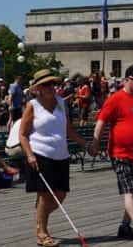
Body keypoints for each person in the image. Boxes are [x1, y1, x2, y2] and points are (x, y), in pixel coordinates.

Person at [19, 68, 91, 247]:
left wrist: (85, 144)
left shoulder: (60, 102)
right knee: (44, 195)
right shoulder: (32, 105)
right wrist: (29, 155)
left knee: (61, 194)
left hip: (61, 154)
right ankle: (42, 233)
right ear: (39, 88)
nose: (52, 87)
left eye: (54, 83)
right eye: (47, 84)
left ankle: (40, 218)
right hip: (41, 154)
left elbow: (68, 129)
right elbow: (22, 134)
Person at [92, 65, 133, 241]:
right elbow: (101, 121)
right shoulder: (116, 98)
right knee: (130, 190)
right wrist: (95, 143)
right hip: (121, 153)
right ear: (127, 80)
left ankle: (125, 226)